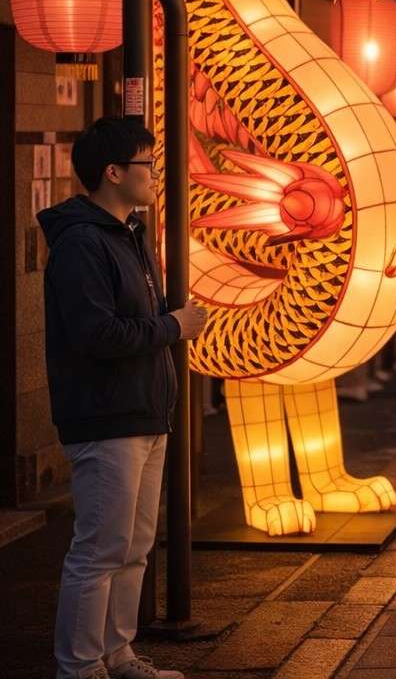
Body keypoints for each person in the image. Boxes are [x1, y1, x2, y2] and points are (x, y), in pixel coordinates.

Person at [40, 116, 208, 679]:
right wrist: (175, 327)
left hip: (143, 410)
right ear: (113, 173)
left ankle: (119, 654)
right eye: (147, 164)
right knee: (98, 550)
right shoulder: (83, 243)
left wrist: (166, 327)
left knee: (134, 547)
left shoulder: (130, 235)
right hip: (106, 415)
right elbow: (97, 334)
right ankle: (81, 666)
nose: (155, 173)